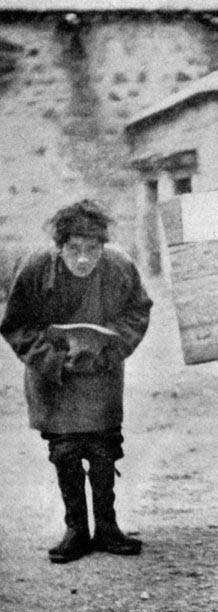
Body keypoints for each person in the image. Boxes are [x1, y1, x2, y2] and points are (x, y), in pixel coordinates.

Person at [0, 200, 153, 563]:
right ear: (60, 247)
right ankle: (76, 529)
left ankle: (107, 527)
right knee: (65, 452)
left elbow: (138, 310)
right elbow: (15, 324)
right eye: (74, 250)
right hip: (54, 379)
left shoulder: (118, 266)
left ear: (103, 247)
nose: (83, 259)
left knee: (103, 450)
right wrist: (50, 359)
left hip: (100, 375)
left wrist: (111, 349)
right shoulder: (36, 269)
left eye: (92, 250)